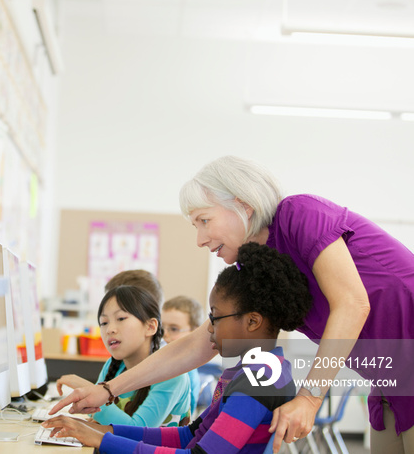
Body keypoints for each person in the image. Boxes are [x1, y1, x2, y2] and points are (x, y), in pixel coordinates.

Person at [50, 155, 414, 454]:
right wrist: (109, 390)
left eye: (204, 221)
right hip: (390, 383)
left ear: (242, 206)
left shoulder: (301, 215)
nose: (199, 238)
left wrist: (309, 398)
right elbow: (200, 342)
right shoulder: (254, 269)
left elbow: (352, 303)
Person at [43, 243, 311, 453]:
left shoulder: (260, 382)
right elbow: (190, 435)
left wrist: (103, 440)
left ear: (252, 321)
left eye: (215, 318)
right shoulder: (254, 372)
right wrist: (105, 431)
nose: (208, 328)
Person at [57, 285, 191, 427]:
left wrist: (85, 388)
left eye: (121, 318)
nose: (110, 330)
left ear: (150, 327)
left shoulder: (171, 374)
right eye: (104, 322)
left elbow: (137, 432)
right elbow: (95, 415)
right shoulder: (113, 365)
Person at [162, 296, 203, 416]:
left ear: (195, 331)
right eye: (162, 327)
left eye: (174, 329)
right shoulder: (167, 360)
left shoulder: (185, 371)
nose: (165, 334)